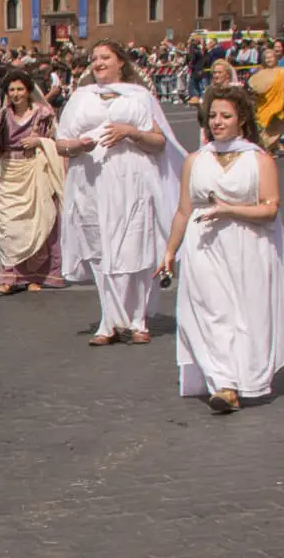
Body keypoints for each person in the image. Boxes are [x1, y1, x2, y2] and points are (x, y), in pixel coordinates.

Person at [158, 85, 284, 412]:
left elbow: (270, 209)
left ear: (242, 120)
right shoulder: (195, 161)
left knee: (246, 315)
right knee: (212, 312)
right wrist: (169, 251)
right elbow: (183, 211)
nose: (217, 122)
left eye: (225, 116)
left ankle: (245, 378)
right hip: (204, 247)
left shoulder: (259, 160)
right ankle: (223, 384)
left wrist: (229, 210)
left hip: (247, 247)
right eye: (212, 116)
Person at [56, 39, 186, 346]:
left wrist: (130, 132)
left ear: (121, 63)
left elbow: (159, 141)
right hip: (90, 182)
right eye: (94, 58)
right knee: (100, 249)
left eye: (105, 57)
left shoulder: (138, 97)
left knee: (134, 246)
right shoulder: (80, 98)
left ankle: (138, 319)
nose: (98, 62)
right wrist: (78, 145)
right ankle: (109, 320)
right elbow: (61, 143)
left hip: (132, 180)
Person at [0, 69, 65, 294]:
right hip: (10, 172)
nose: (16, 94)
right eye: (12, 90)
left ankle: (34, 276)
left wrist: (39, 141)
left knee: (36, 223)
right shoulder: (3, 115)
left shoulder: (42, 113)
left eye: (20, 89)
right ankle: (10, 277)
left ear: (28, 91)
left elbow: (56, 141)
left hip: (34, 170)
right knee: (9, 225)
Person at [248, 48, 284, 155]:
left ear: (275, 58)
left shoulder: (282, 71)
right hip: (263, 104)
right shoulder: (260, 73)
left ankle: (271, 147)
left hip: (277, 103)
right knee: (262, 127)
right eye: (266, 57)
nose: (269, 59)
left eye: (271, 57)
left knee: (276, 126)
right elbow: (254, 87)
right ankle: (265, 148)